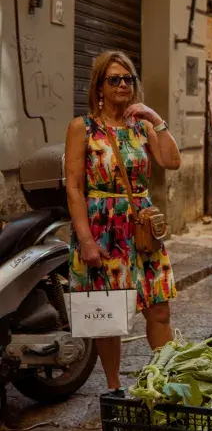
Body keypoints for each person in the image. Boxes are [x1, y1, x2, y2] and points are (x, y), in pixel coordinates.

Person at [64, 50, 181, 393]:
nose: (122, 85)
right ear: (99, 87)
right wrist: (86, 240)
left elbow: (172, 161)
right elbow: (73, 188)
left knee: (159, 310)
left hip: (142, 228)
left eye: (128, 78)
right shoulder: (82, 128)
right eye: (114, 79)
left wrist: (155, 116)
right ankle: (114, 388)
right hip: (102, 228)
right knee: (107, 317)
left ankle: (165, 382)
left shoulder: (142, 126)